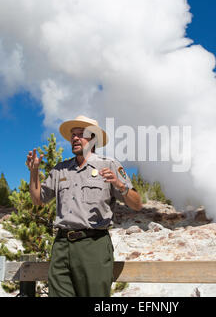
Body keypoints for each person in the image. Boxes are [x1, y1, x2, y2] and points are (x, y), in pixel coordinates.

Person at [26, 115, 142, 297]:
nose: (75, 138)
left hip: (93, 245)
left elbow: (137, 204)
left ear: (93, 139)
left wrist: (121, 186)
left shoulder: (109, 165)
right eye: (73, 135)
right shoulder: (60, 169)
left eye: (81, 134)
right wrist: (34, 172)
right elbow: (38, 200)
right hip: (61, 245)